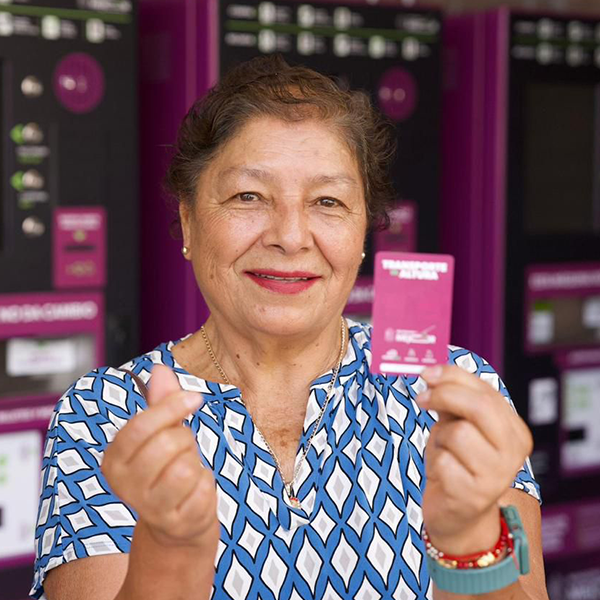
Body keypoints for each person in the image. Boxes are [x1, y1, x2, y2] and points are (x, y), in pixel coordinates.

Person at [31, 56, 548, 600]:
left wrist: (469, 541)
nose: (291, 236)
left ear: (363, 232)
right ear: (188, 220)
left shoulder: (455, 394)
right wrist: (171, 551)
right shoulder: (109, 413)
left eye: (328, 201)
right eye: (248, 196)